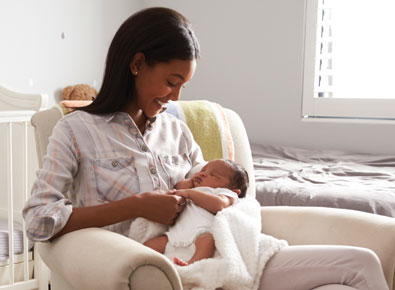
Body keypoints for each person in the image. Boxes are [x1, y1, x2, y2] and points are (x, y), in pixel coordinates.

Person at [23, 7, 389, 290]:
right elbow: (39, 220)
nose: (176, 97)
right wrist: (135, 206)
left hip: (227, 256)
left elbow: (219, 194)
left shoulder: (177, 131)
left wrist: (224, 201)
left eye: (183, 84)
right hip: (158, 267)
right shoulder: (75, 131)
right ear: (136, 64)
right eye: (171, 81)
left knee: (357, 268)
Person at [143, 159, 249, 266]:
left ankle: (191, 265)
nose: (203, 174)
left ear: (234, 191)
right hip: (173, 236)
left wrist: (190, 193)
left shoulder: (222, 193)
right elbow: (178, 187)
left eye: (213, 175)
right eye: (203, 170)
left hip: (200, 234)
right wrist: (190, 182)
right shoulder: (193, 188)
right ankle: (143, 263)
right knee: (149, 245)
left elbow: (219, 205)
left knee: (208, 242)